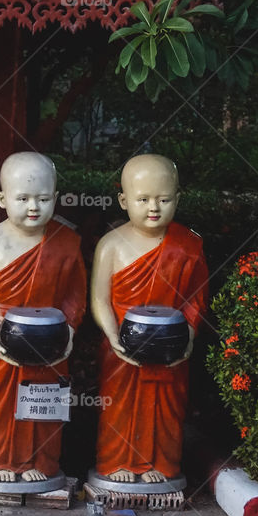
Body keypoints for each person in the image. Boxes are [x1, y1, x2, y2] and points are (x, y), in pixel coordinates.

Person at [90, 154, 208, 483]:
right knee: (120, 406)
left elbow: (195, 301)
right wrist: (114, 338)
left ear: (178, 199)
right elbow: (99, 300)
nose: (153, 207)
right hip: (122, 347)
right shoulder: (110, 245)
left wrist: (186, 338)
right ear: (124, 201)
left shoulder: (188, 245)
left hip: (171, 346)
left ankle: (162, 463)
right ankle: (118, 462)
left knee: (166, 408)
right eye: (143, 199)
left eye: (164, 199)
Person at [0, 152, 86, 482]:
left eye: (43, 198)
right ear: (2, 199)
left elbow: (75, 296)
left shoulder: (66, 242)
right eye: (22, 198)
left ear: (56, 198)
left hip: (51, 343)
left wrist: (70, 333)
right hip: (2, 342)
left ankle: (41, 462)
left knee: (44, 405)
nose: (33, 207)